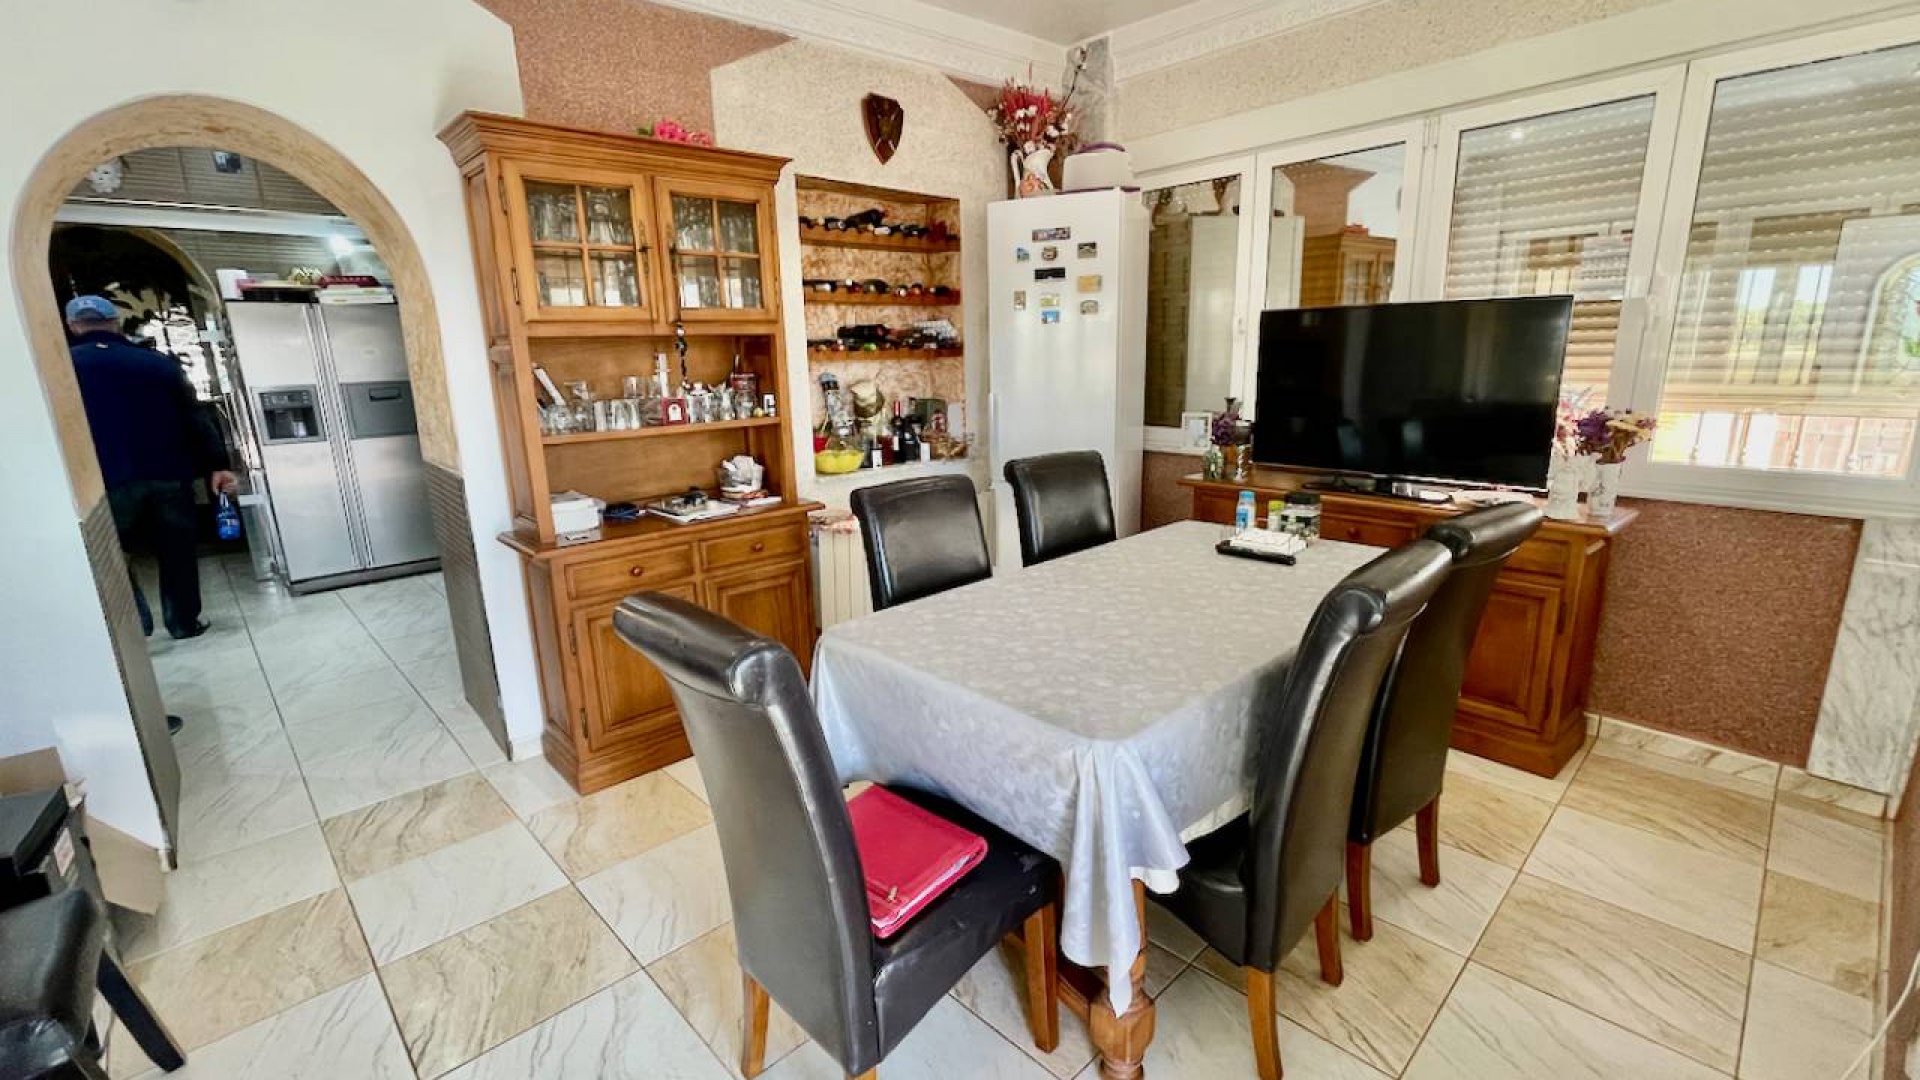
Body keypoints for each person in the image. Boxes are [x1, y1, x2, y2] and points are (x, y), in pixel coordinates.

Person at [67, 295, 236, 641]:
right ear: (115, 322)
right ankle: (183, 622)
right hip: (168, 473)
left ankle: (135, 626)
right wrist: (217, 465)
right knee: (177, 550)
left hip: (106, 479)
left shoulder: (64, 366)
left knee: (113, 554)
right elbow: (195, 417)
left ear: (72, 326)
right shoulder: (157, 364)